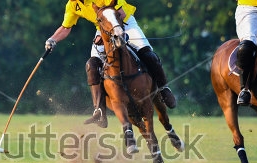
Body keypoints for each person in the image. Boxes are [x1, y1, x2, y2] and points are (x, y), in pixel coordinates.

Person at [45, 0, 176, 128]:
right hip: (104, 29)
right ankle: (99, 110)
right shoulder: (72, 5)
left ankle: (163, 89)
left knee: (147, 54)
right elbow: (66, 27)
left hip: (124, 22)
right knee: (92, 65)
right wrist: (52, 40)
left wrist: (108, 34)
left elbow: (119, 13)